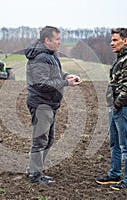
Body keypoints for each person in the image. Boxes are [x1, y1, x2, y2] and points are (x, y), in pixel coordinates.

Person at [25, 26, 81, 185]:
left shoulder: (50, 54)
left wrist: (66, 76)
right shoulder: (40, 58)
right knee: (40, 140)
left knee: (49, 139)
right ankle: (35, 175)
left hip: (49, 104)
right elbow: (41, 84)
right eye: (57, 39)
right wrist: (65, 83)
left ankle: (36, 170)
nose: (60, 42)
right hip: (41, 104)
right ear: (47, 40)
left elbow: (53, 74)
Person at [95, 28, 127, 190]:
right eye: (112, 40)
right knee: (115, 143)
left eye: (115, 40)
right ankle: (114, 174)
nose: (111, 43)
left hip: (124, 108)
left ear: (125, 41)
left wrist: (117, 104)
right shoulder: (122, 58)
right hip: (115, 107)